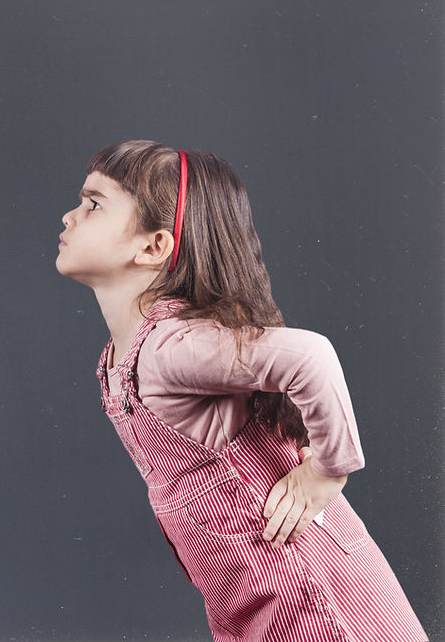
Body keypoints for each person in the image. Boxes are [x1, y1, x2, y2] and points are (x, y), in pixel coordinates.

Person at [55, 140, 427, 641]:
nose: (69, 216)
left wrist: (327, 471)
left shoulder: (169, 348)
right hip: (260, 601)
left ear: (153, 247)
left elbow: (310, 356)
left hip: (313, 602)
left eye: (93, 205)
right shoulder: (127, 353)